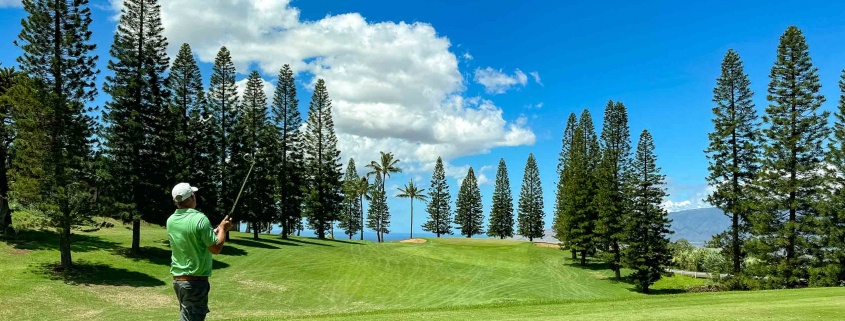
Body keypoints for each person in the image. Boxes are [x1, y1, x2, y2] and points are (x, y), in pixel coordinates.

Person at [167, 182, 232, 321]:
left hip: (179, 281)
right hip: (194, 282)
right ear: (191, 197)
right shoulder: (200, 218)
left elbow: (193, 238)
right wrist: (223, 230)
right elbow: (215, 248)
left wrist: (215, 230)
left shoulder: (171, 220)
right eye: (193, 194)